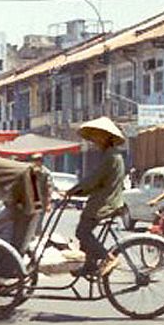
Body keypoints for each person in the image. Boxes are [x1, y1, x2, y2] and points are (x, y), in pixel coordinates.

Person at [67, 117, 127, 276]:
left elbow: (94, 179)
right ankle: (90, 264)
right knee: (84, 230)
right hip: (106, 199)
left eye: (99, 136)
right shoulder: (111, 155)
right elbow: (97, 182)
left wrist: (74, 190)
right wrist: (78, 191)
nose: (95, 140)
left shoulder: (110, 156)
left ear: (107, 137)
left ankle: (108, 257)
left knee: (82, 232)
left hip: (105, 202)